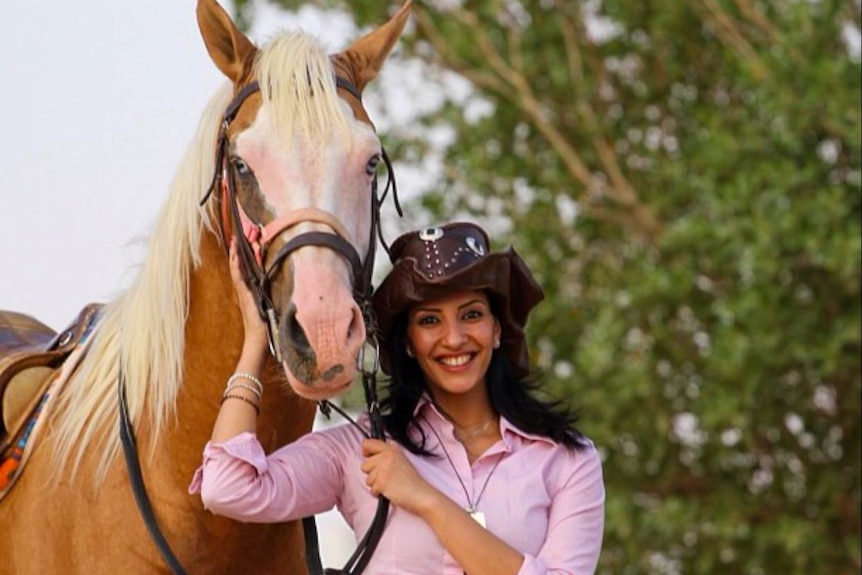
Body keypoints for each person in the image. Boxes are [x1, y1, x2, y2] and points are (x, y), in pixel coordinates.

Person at [189, 221, 605, 574]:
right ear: (408, 341)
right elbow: (226, 488)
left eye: (472, 314)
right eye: (429, 320)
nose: (454, 337)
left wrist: (423, 498)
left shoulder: (566, 457)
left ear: (498, 329)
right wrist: (255, 344)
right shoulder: (360, 449)